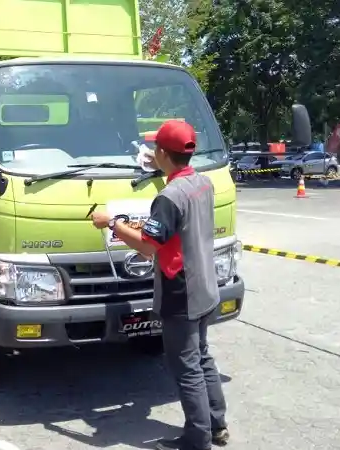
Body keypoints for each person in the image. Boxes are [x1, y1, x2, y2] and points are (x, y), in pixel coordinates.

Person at [90, 120, 229, 450]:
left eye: (155, 148)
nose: (151, 152)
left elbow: (149, 246)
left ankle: (198, 439)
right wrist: (161, 163)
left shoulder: (168, 198)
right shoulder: (202, 183)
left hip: (181, 291)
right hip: (207, 286)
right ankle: (217, 424)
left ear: (164, 153)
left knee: (186, 367)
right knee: (203, 356)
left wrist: (111, 223)